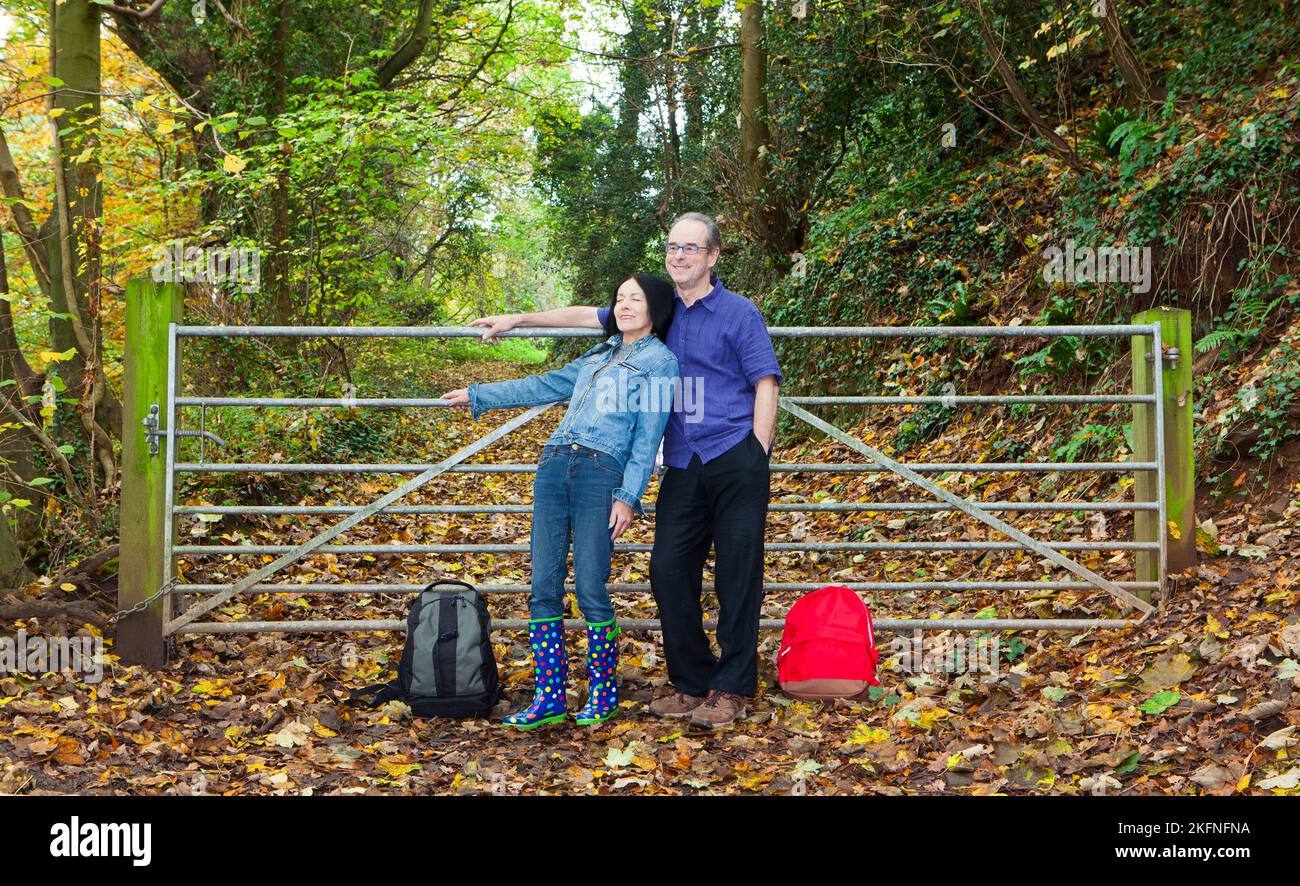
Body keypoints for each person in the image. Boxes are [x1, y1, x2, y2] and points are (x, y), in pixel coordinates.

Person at [469, 212, 781, 728]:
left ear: (712, 256)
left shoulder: (739, 313)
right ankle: (692, 682)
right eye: (672, 247)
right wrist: (516, 320)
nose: (679, 255)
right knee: (667, 571)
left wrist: (758, 452)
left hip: (734, 456)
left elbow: (765, 381)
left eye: (690, 248)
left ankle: (730, 688)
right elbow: (584, 318)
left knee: (737, 576)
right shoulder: (659, 310)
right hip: (682, 461)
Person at [442, 274, 679, 728]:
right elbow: (544, 384)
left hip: (600, 473)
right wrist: (478, 395)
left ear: (657, 308)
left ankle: (602, 693)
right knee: (542, 588)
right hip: (554, 465)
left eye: (637, 298)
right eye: (620, 297)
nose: (625, 305)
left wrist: (629, 497)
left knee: (591, 586)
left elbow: (649, 438)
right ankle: (548, 697)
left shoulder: (661, 363)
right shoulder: (600, 353)